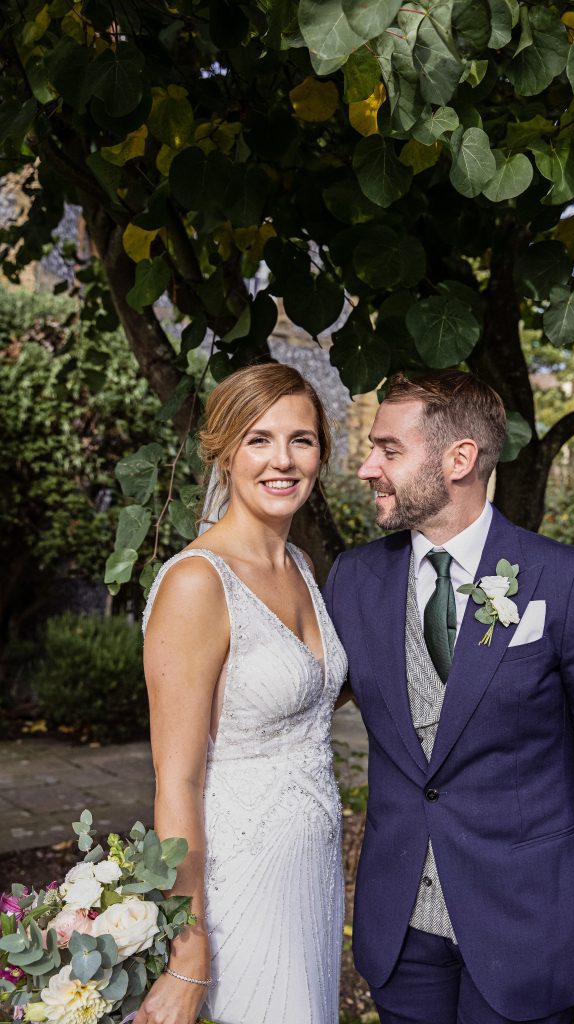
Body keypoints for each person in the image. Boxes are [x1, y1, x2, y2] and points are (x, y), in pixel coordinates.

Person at [323, 370, 574, 1024]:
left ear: (458, 459)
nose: (366, 468)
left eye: (388, 450)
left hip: (529, 927)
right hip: (401, 934)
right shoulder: (354, 580)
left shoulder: (566, 582)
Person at [138, 363, 347, 1024]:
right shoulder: (197, 582)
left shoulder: (300, 566)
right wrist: (188, 946)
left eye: (302, 440)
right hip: (240, 879)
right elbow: (175, 783)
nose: (282, 460)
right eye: (258, 439)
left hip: (312, 870)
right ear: (223, 453)